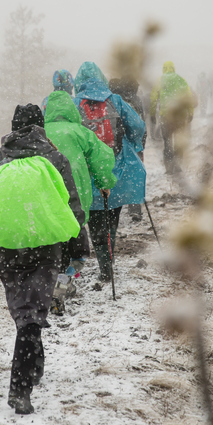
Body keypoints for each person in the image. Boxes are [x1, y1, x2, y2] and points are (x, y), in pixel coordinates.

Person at [0, 104, 84, 415]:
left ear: (13, 127)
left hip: (5, 247)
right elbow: (70, 204)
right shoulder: (54, 158)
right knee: (32, 314)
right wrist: (77, 250)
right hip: (46, 246)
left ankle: (34, 366)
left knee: (25, 308)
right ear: (41, 128)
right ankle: (20, 388)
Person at [72, 62, 146, 284]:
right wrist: (133, 144)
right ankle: (108, 260)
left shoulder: (75, 105)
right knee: (112, 215)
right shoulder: (115, 100)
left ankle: (104, 263)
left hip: (88, 173)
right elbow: (138, 125)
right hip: (117, 169)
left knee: (95, 219)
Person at [43, 90, 117, 307]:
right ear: (70, 110)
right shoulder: (79, 132)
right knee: (70, 234)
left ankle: (49, 283)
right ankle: (62, 283)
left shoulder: (40, 132)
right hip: (75, 190)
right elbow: (100, 158)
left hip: (45, 192)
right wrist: (105, 183)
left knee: (50, 238)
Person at [109, 76, 146, 222]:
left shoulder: (111, 101)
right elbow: (140, 123)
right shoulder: (135, 100)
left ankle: (114, 204)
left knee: (115, 173)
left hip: (115, 144)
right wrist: (141, 144)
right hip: (134, 143)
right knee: (134, 175)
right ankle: (135, 208)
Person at [150, 61, 196, 174]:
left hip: (165, 116)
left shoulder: (160, 80)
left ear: (164, 69)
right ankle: (178, 166)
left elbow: (153, 98)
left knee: (167, 142)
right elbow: (188, 97)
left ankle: (169, 168)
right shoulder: (181, 80)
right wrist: (190, 112)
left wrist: (152, 113)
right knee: (178, 141)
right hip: (179, 116)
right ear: (173, 68)